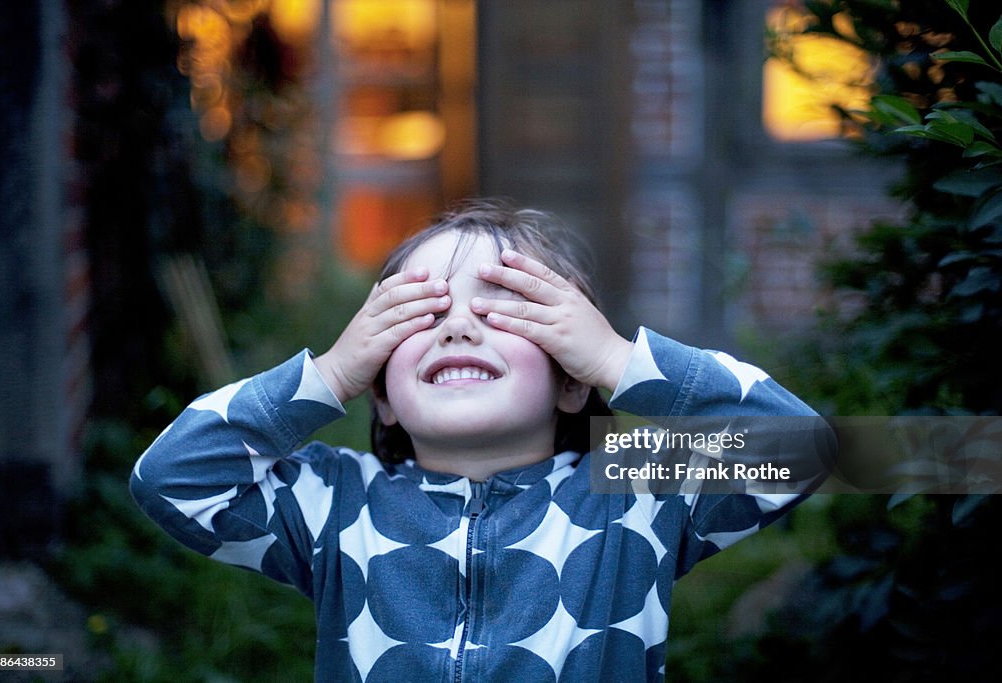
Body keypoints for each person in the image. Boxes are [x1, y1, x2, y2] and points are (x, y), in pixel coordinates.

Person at [131, 198, 830, 682]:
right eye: (420, 311)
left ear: (570, 378)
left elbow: (799, 448)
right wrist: (331, 370)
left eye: (504, 311)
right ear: (381, 391)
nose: (458, 326)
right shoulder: (335, 504)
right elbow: (170, 476)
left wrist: (619, 359)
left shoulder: (637, 492)